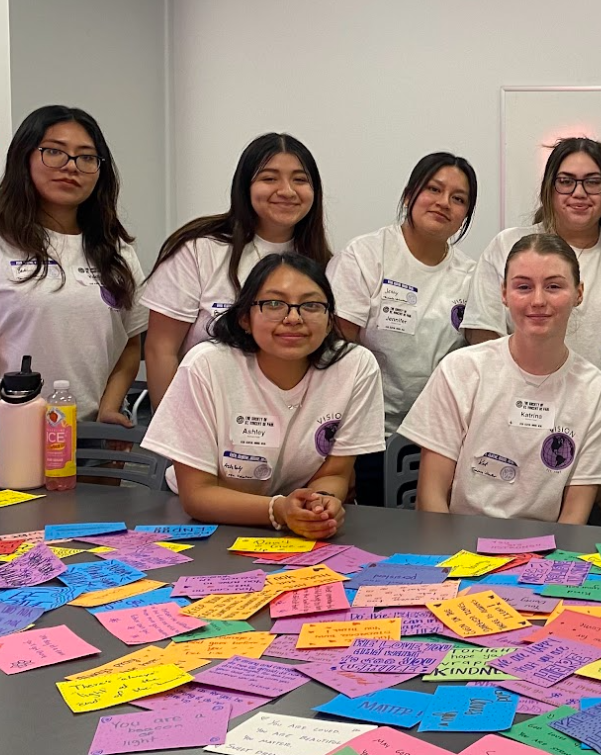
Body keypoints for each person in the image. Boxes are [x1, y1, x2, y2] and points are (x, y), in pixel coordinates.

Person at [462, 137, 601, 522]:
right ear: (549, 188)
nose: (579, 193)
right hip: (516, 437)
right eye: (566, 181)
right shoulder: (512, 246)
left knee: (584, 556)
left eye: (593, 182)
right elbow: (483, 339)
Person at [143, 253, 384, 539]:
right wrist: (280, 510)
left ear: (330, 320)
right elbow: (197, 494)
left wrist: (320, 504)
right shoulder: (206, 365)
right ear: (245, 317)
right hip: (202, 521)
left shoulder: (355, 366)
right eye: (274, 304)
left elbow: (335, 474)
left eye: (311, 305)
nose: (293, 318)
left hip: (295, 527)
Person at [400, 233, 601, 524]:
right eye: (523, 286)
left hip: (546, 553)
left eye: (554, 286)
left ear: (578, 293)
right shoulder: (460, 371)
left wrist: (545, 569)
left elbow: (574, 517)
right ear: (504, 294)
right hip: (457, 548)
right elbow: (430, 498)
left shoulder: (598, 394)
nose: (538, 300)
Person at [327, 152, 478, 504]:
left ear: (465, 215)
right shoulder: (366, 255)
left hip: (436, 442)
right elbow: (337, 354)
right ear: (410, 194)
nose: (444, 203)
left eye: (458, 199)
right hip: (365, 435)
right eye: (434, 189)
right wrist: (339, 454)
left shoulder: (472, 276)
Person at [142, 133, 332, 408]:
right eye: (269, 178)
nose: (287, 191)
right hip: (205, 414)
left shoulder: (324, 265)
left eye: (300, 180)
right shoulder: (200, 250)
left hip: (292, 422)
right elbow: (161, 349)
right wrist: (176, 436)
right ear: (245, 186)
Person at [0, 105, 146, 426]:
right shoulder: (4, 241)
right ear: (24, 156)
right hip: (11, 436)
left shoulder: (116, 250)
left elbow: (129, 343)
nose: (70, 166)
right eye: (54, 152)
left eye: (86, 157)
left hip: (94, 438)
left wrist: (110, 409)